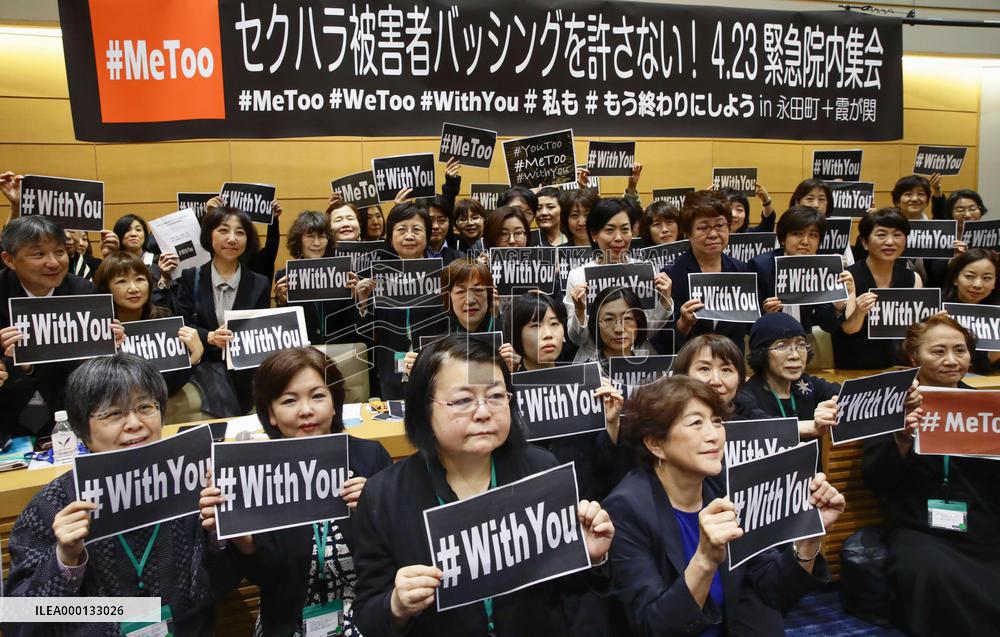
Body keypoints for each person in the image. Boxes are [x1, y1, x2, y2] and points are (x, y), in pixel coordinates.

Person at [351, 335, 615, 636]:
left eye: (496, 396)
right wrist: (396, 606)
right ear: (424, 409)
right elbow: (368, 615)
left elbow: (571, 592)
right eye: (463, 400)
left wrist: (589, 558)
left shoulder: (541, 470)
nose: (483, 412)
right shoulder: (383, 496)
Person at [5, 354, 233, 636]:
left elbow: (219, 587)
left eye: (145, 407)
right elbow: (16, 620)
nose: (134, 423)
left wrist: (219, 537)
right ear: (82, 430)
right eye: (114, 414)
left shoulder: (193, 483)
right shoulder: (53, 505)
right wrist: (63, 560)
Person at [604, 375, 844, 637]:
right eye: (696, 423)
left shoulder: (724, 486)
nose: (714, 436)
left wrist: (808, 535)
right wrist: (705, 560)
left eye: (717, 422)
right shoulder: (626, 509)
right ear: (655, 444)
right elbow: (653, 626)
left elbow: (772, 589)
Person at [199, 348, 391, 636]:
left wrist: (376, 510)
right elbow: (268, 577)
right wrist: (243, 538)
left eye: (318, 396)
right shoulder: (257, 472)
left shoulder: (370, 457)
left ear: (335, 403)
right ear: (271, 414)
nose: (306, 410)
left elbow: (399, 555)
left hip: (366, 619)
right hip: (289, 624)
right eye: (289, 400)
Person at [863, 315, 1000, 636]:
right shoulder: (891, 406)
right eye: (938, 352)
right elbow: (876, 481)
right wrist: (902, 439)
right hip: (919, 525)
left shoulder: (988, 406)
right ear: (914, 357)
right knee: (927, 574)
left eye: (960, 350)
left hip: (983, 522)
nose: (952, 361)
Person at [0, 216, 96, 437]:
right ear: (9, 259)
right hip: (8, 416)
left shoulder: (83, 292)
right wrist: (14, 363)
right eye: (38, 254)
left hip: (69, 412)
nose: (53, 262)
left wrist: (106, 344)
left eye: (60, 252)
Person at [170, 205, 270, 416]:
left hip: (245, 370)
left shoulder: (260, 284)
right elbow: (183, 324)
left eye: (240, 232)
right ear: (209, 235)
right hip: (205, 365)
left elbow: (261, 332)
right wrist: (210, 337)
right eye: (223, 230)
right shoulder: (191, 277)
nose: (232, 239)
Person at [354, 202, 448, 399]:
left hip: (435, 369)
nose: (409, 236)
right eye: (401, 230)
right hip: (390, 370)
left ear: (428, 235)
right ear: (390, 236)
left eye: (417, 230)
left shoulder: (445, 275)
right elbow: (365, 332)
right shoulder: (375, 276)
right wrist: (363, 301)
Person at [564, 198, 673, 348]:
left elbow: (647, 331)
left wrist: (664, 301)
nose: (618, 238)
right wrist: (579, 312)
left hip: (636, 360)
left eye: (624, 229)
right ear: (594, 234)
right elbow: (578, 339)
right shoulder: (578, 276)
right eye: (609, 230)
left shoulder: (645, 270)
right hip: (595, 361)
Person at [93, 252, 204, 396]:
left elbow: (168, 388)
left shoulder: (164, 319)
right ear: (106, 288)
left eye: (139, 279)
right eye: (122, 281)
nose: (133, 288)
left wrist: (194, 357)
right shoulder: (98, 329)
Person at [832, 208, 922, 369]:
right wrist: (860, 311)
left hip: (899, 366)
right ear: (865, 243)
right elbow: (849, 328)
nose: (890, 242)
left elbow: (914, 332)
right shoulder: (847, 276)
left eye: (897, 235)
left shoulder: (913, 278)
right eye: (881, 235)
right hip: (855, 365)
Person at [749, 205, 855, 334]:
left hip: (802, 341)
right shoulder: (760, 266)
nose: (805, 241)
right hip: (767, 339)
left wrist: (838, 305)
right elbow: (748, 326)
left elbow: (828, 325)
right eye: (797, 234)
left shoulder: (821, 268)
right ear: (783, 239)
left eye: (813, 235)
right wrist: (767, 314)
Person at [667, 190, 749, 352]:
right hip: (690, 365)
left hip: (731, 362)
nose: (713, 234)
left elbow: (746, 330)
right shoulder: (673, 274)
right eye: (703, 227)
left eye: (720, 225)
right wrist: (683, 324)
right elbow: (664, 341)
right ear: (688, 233)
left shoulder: (741, 270)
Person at [739, 313, 840, 438]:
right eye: (782, 346)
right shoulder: (746, 394)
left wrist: (835, 405)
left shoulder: (806, 383)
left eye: (801, 345)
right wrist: (813, 426)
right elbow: (761, 426)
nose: (795, 355)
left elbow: (846, 395)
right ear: (761, 353)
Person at [272, 210, 361, 345]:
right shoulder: (285, 276)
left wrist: (357, 298)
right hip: (304, 350)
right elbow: (282, 328)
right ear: (299, 240)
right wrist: (282, 303)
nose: (317, 243)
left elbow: (356, 322)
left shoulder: (344, 272)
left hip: (341, 348)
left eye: (322, 236)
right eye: (310, 236)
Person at [943, 248, 1000, 372]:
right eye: (969, 276)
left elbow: (988, 361)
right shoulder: (938, 310)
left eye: (987, 278)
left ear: (995, 282)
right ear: (955, 279)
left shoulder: (997, 314)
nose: (978, 285)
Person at [574, 287, 650, 368]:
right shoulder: (586, 373)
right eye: (609, 319)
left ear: (639, 322)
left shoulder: (651, 372)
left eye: (627, 318)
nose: (619, 329)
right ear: (596, 324)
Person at [426, 195, 463, 263]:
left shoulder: (461, 259)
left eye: (442, 220)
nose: (436, 226)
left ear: (449, 222)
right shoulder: (409, 256)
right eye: (430, 220)